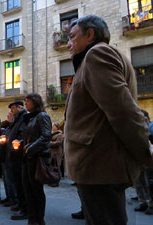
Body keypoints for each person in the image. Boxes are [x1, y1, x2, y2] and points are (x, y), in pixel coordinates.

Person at [65, 15, 153, 225]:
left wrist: (146, 154)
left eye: (72, 37)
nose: (68, 43)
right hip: (98, 167)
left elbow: (124, 112)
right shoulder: (93, 58)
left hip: (99, 168)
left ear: (90, 34)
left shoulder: (97, 54)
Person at [22, 93, 52, 225]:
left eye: (27, 101)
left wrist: (30, 147)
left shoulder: (42, 116)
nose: (25, 104)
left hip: (36, 158)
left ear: (35, 102)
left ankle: (39, 219)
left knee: (36, 190)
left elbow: (46, 136)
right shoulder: (30, 118)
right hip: (28, 157)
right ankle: (32, 217)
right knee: (28, 189)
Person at [49, 122, 64, 187]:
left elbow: (58, 143)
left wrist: (49, 143)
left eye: (53, 126)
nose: (52, 127)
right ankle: (52, 180)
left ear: (56, 127)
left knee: (56, 167)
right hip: (51, 152)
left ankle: (56, 181)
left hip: (57, 152)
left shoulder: (59, 134)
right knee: (51, 167)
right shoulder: (51, 133)